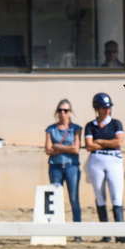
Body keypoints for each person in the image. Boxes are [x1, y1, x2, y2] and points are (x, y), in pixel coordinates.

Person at [84, 92, 125, 243]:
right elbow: (89, 145)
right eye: (104, 107)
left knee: (116, 195)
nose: (107, 110)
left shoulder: (116, 123)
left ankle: (120, 233)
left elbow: (118, 142)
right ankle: (105, 233)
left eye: (108, 107)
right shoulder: (90, 125)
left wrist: (99, 141)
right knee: (100, 196)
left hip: (113, 160)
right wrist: (108, 143)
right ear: (97, 109)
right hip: (96, 161)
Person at [44, 99, 82, 241]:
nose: (62, 113)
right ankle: (55, 232)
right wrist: (67, 148)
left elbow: (76, 149)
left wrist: (57, 147)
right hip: (55, 167)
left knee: (74, 199)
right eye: (60, 110)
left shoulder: (76, 128)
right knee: (55, 199)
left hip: (72, 167)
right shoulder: (50, 129)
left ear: (70, 112)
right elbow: (48, 150)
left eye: (65, 110)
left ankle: (77, 233)